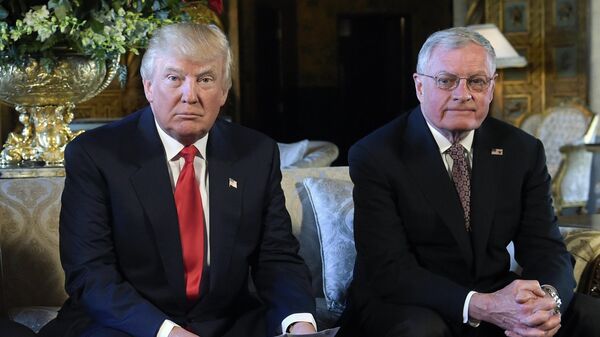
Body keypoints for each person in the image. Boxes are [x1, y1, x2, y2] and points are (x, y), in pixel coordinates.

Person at [38, 23, 317, 337]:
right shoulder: (96, 155)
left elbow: (276, 257)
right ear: (148, 87)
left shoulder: (255, 153)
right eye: (174, 78)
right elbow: (91, 275)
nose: (190, 95)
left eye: (205, 79)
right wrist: (169, 333)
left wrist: (298, 322)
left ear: (224, 91)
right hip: (126, 325)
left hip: (227, 324)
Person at [338, 27, 600, 337]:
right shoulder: (377, 154)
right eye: (446, 81)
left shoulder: (522, 150)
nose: (463, 94)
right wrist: (482, 305)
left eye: (476, 81)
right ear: (420, 86)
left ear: (491, 88)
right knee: (423, 331)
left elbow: (545, 247)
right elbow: (391, 269)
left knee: (589, 315)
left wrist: (546, 302)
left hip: (493, 293)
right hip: (407, 301)